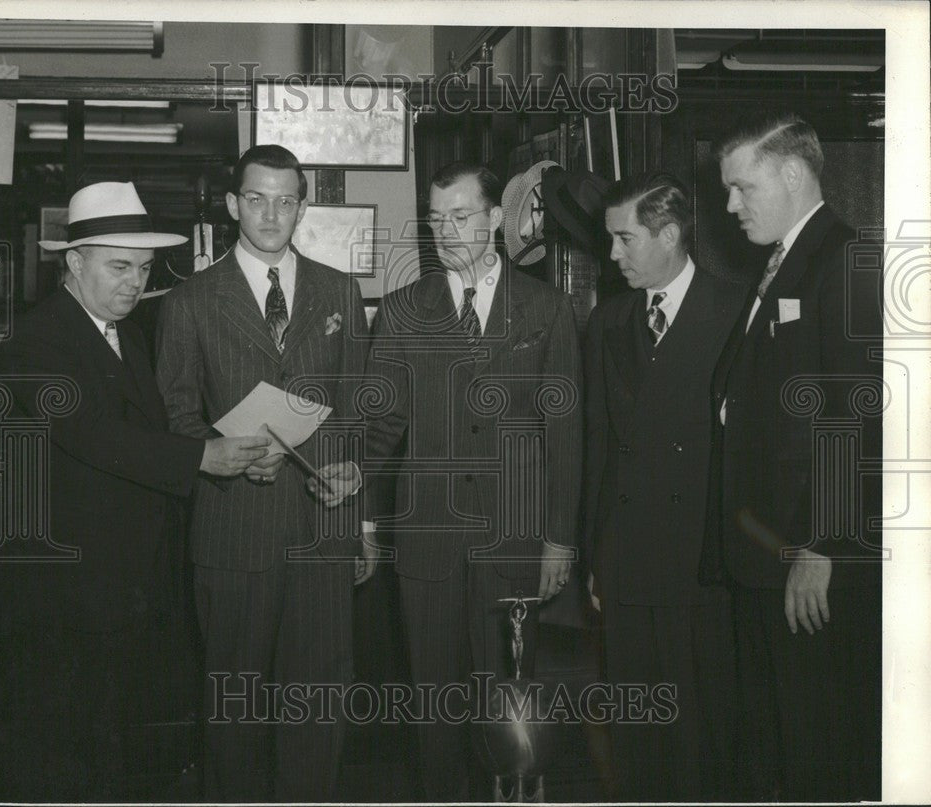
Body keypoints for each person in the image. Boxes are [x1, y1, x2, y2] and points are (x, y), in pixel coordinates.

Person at [0, 181, 271, 801]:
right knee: (54, 762)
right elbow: (95, 435)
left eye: (142, 268)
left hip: (117, 594)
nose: (134, 283)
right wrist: (203, 456)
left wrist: (235, 452)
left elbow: (156, 434)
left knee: (101, 755)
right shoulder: (34, 343)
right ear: (74, 263)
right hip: (57, 601)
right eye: (119, 266)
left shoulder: (125, 335)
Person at [352, 160, 581, 800]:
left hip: (515, 544)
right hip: (426, 546)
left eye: (461, 217)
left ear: (494, 218)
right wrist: (365, 524)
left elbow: (566, 435)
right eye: (436, 220)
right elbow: (380, 426)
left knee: (509, 705)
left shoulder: (547, 307)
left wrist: (560, 540)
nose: (448, 233)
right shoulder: (402, 309)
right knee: (434, 708)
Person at [155, 144, 372, 802]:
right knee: (236, 709)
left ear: (302, 206)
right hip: (233, 535)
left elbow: (356, 407)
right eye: (257, 198)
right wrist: (229, 457)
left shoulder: (340, 291)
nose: (271, 213)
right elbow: (176, 421)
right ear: (232, 204)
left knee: (318, 706)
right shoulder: (189, 301)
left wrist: (351, 480)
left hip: (320, 531)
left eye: (285, 199)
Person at [708, 113, 882, 800]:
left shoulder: (841, 259)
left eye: (740, 187)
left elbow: (855, 415)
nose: (729, 205)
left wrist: (824, 543)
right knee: (773, 739)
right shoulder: (781, 261)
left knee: (816, 744)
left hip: (806, 556)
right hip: (764, 552)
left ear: (790, 174)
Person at [581, 171, 746, 800]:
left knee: (702, 729)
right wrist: (596, 555)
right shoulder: (608, 321)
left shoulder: (735, 311)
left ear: (670, 234)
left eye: (625, 240)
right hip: (625, 561)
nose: (613, 254)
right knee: (635, 730)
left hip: (701, 560)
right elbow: (599, 446)